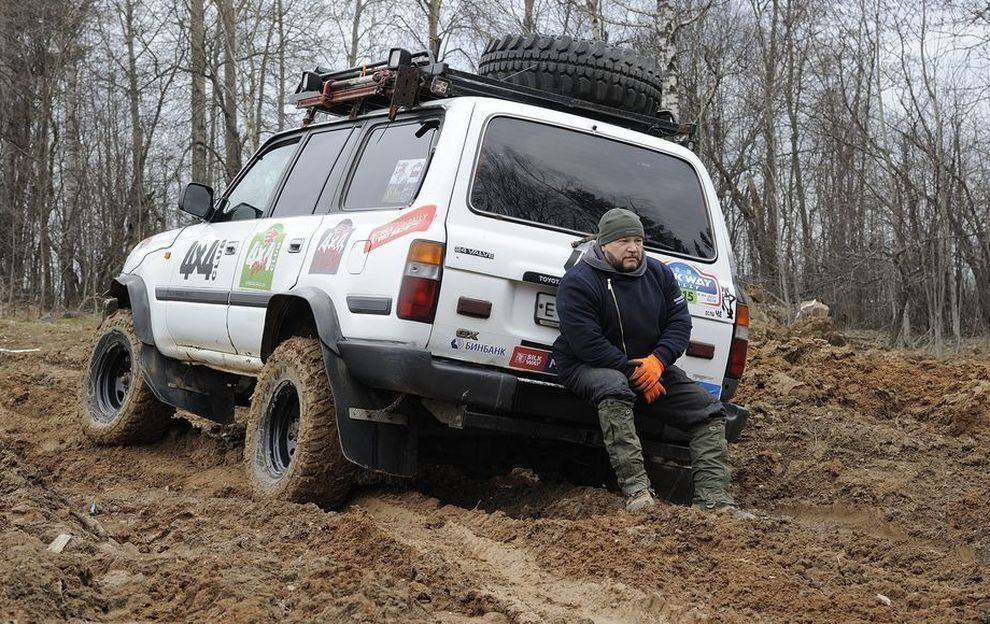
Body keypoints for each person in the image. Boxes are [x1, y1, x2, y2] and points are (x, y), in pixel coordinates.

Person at [553, 208, 751, 516]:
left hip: (650, 367)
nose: (633, 248)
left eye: (638, 241)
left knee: (709, 410)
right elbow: (586, 343)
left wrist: (658, 363)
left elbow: (679, 325)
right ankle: (638, 492)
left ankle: (714, 502)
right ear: (604, 244)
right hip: (586, 365)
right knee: (614, 386)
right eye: (623, 241)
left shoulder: (659, 274)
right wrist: (636, 373)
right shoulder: (579, 281)